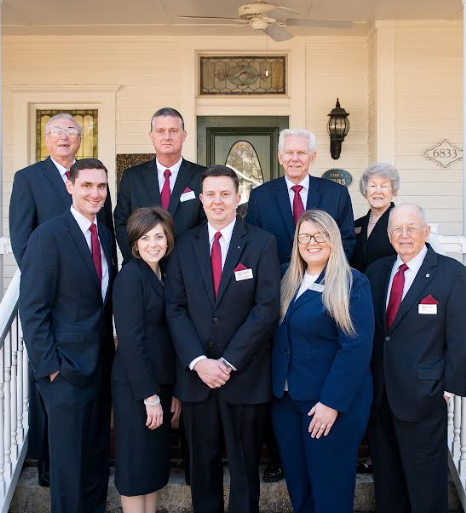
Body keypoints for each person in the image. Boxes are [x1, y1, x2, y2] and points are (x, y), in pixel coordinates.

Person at [165, 165, 281, 513]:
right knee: (201, 468)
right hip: (197, 377)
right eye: (211, 194)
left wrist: (228, 362)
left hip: (243, 375)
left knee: (246, 469)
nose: (218, 201)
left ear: (238, 197)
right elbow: (175, 308)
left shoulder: (262, 242)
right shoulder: (183, 244)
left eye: (225, 194)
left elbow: (266, 308)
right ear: (201, 199)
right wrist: (199, 362)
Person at [9, 113, 115, 487]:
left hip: (99, 357)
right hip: (63, 360)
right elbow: (32, 305)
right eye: (87, 186)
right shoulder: (45, 228)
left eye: (101, 187)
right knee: (67, 472)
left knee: (93, 463)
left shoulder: (102, 233)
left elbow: (105, 282)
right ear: (71, 186)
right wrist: (48, 366)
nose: (95, 193)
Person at [272, 209, 374, 513]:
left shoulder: (351, 282)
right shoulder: (284, 277)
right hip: (287, 400)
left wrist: (331, 404)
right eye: (305, 236)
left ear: (333, 239)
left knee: (330, 491)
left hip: (329, 404)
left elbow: (355, 347)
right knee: (299, 487)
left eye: (320, 236)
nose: (311, 242)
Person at [366, 203, 466, 513]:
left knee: (426, 487)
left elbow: (461, 333)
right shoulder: (377, 272)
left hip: (424, 396)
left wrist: (449, 386)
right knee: (387, 482)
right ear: (388, 235)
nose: (405, 235)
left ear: (425, 231)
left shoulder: (451, 273)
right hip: (380, 395)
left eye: (412, 228)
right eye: (397, 229)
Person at [112, 207, 181, 513]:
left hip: (162, 382)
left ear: (167, 238)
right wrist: (149, 397)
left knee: (152, 465)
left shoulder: (164, 274)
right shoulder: (130, 276)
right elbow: (131, 341)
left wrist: (172, 390)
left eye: (158, 236)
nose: (153, 243)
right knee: (134, 466)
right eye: (145, 238)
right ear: (134, 244)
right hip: (136, 387)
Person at [246, 128, 355, 264]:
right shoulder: (260, 197)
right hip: (276, 279)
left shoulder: (337, 194)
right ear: (280, 157)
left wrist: (324, 273)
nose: (295, 158)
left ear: (312, 157)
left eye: (301, 153)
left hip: (324, 280)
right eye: (289, 152)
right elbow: (253, 243)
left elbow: (346, 240)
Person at [114, 107, 206, 263]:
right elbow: (122, 222)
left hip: (188, 267)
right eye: (160, 131)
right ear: (151, 136)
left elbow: (207, 224)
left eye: (173, 131)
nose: (167, 137)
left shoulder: (202, 177)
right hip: (142, 267)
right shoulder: (132, 177)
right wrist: (139, 259)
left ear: (184, 135)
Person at [351, 162, 399, 273]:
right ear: (365, 191)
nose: (378, 191)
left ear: (393, 191)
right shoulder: (356, 224)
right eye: (373, 185)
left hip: (388, 287)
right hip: (359, 287)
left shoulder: (400, 223)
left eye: (384, 186)